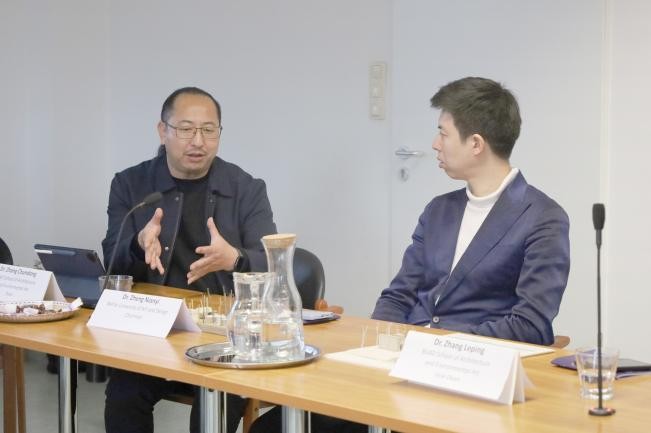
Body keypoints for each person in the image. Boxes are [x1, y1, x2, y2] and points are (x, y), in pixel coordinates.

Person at [249, 76, 570, 433]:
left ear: (476, 144)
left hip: (473, 378)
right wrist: (381, 344)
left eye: (443, 133)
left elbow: (530, 322)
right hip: (405, 366)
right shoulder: (439, 209)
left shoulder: (542, 217)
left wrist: (434, 345)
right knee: (276, 424)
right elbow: (399, 294)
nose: (435, 144)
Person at [102, 86, 277, 433]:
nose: (198, 141)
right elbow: (111, 265)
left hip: (224, 337)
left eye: (209, 130)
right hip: (154, 333)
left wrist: (235, 258)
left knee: (218, 401)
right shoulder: (131, 185)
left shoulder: (246, 188)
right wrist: (137, 244)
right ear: (162, 131)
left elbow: (270, 264)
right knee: (124, 395)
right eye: (185, 129)